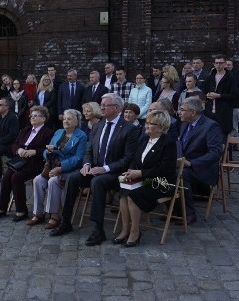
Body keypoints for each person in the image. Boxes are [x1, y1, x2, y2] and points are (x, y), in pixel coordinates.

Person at [53, 94, 140, 243]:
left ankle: (98, 229)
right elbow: (88, 150)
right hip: (95, 169)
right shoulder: (98, 125)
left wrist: (105, 168)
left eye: (106, 105)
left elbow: (128, 159)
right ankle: (65, 221)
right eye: (101, 105)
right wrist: (86, 164)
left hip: (116, 173)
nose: (102, 107)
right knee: (73, 177)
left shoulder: (129, 129)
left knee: (97, 182)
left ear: (117, 108)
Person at [116, 110, 178, 247]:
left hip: (161, 182)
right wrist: (131, 171)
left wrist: (141, 173)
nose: (146, 126)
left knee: (133, 195)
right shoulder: (144, 139)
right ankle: (125, 229)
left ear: (161, 128)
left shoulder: (168, 143)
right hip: (144, 179)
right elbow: (135, 159)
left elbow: (165, 168)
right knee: (123, 192)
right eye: (147, 123)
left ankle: (135, 231)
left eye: (151, 124)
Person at [28, 109, 88, 229]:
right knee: (38, 180)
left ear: (77, 122)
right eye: (65, 118)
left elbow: (79, 158)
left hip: (69, 169)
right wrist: (48, 151)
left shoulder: (81, 135)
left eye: (69, 119)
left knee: (53, 181)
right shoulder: (59, 132)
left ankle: (54, 215)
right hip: (52, 165)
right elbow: (46, 151)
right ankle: (38, 213)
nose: (65, 121)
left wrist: (61, 168)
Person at [0, 106, 54, 222]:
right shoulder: (25, 130)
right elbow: (14, 144)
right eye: (32, 115)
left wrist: (34, 151)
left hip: (35, 162)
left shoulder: (48, 133)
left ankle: (21, 210)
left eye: (36, 115)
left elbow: (48, 150)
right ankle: (2, 207)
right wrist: (18, 150)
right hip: (20, 161)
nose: (33, 117)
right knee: (6, 177)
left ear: (44, 119)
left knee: (16, 178)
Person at [177, 96, 225, 223]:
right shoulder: (184, 125)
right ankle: (174, 208)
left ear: (193, 112)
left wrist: (191, 163)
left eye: (182, 109)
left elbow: (215, 152)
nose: (179, 112)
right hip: (183, 164)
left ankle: (189, 213)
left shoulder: (211, 126)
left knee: (181, 174)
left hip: (203, 168)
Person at [201, 55, 239, 140]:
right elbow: (204, 91)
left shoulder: (230, 78)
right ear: (214, 64)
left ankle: (225, 152)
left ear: (225, 64)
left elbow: (235, 95)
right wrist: (207, 95)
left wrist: (219, 95)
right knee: (210, 135)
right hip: (210, 111)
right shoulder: (210, 78)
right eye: (216, 63)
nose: (218, 65)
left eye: (221, 63)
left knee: (222, 137)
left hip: (224, 112)